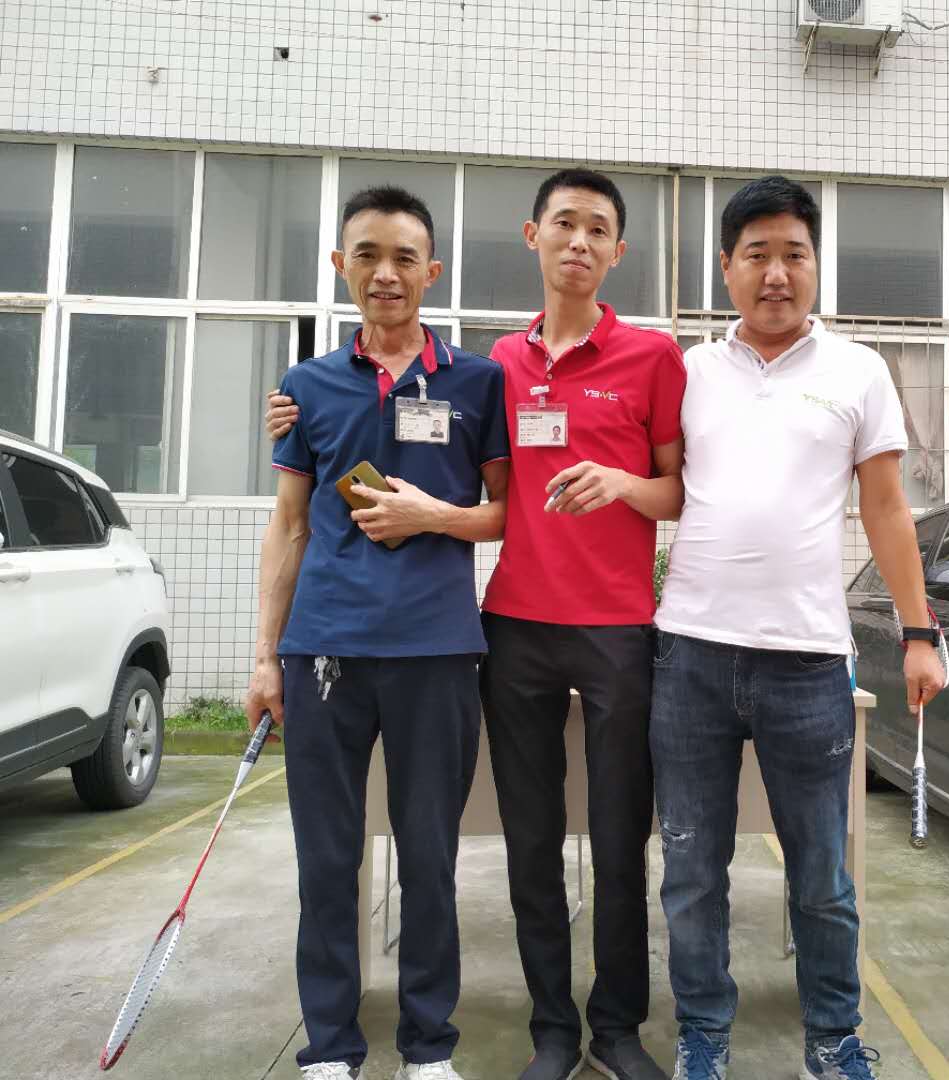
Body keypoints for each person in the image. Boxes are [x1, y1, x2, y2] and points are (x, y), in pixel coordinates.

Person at [266, 169, 685, 1080]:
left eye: (598, 229)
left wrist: (618, 485)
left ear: (619, 250)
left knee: (615, 843)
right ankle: (547, 1032)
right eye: (564, 223)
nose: (579, 242)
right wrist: (292, 409)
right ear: (533, 236)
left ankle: (607, 1029)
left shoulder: (619, 361)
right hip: (501, 631)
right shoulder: (493, 366)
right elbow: (306, 502)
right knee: (520, 847)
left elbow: (673, 490)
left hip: (592, 631)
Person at [651, 176, 946, 1080]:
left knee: (821, 875)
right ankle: (704, 1035)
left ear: (816, 264)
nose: (776, 273)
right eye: (757, 255)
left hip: (809, 662)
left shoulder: (858, 371)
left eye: (794, 254)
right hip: (691, 654)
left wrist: (920, 633)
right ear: (727, 268)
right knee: (692, 871)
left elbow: (887, 510)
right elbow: (656, 483)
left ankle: (832, 1038)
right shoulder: (689, 371)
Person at [246, 185, 510, 1080]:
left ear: (432, 270)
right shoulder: (307, 387)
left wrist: (433, 515)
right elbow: (288, 526)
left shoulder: (477, 382)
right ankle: (330, 1047)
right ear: (340, 266)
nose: (385, 274)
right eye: (367, 255)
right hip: (323, 651)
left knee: (429, 858)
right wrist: (265, 659)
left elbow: (507, 514)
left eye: (404, 257)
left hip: (436, 651)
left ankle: (428, 1049)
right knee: (326, 859)